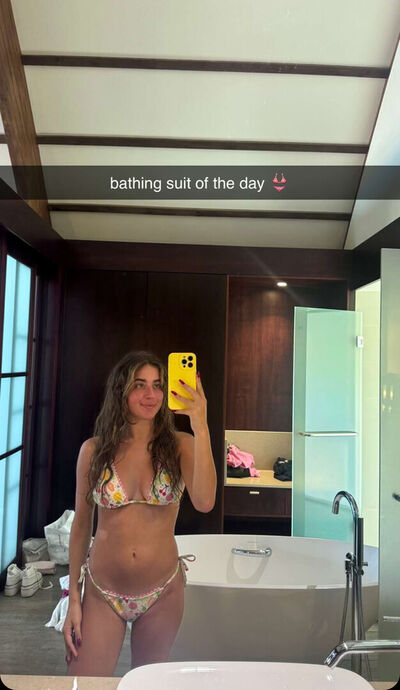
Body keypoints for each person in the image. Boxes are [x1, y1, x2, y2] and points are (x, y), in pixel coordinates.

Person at [63, 350, 216, 676]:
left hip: (162, 592)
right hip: (102, 593)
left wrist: (201, 425)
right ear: (121, 390)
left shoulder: (182, 445)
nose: (151, 394)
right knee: (84, 685)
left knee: (150, 684)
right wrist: (73, 598)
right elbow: (81, 525)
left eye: (158, 385)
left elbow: (205, 502)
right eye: (140, 385)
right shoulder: (93, 450)